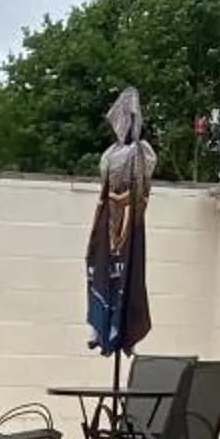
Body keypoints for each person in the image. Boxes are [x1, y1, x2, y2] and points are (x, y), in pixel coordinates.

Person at [85, 86, 155, 356]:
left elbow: (145, 173)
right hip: (107, 216)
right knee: (98, 267)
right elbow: (105, 182)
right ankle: (100, 326)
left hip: (130, 215)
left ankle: (127, 330)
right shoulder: (109, 154)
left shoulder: (142, 152)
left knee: (130, 275)